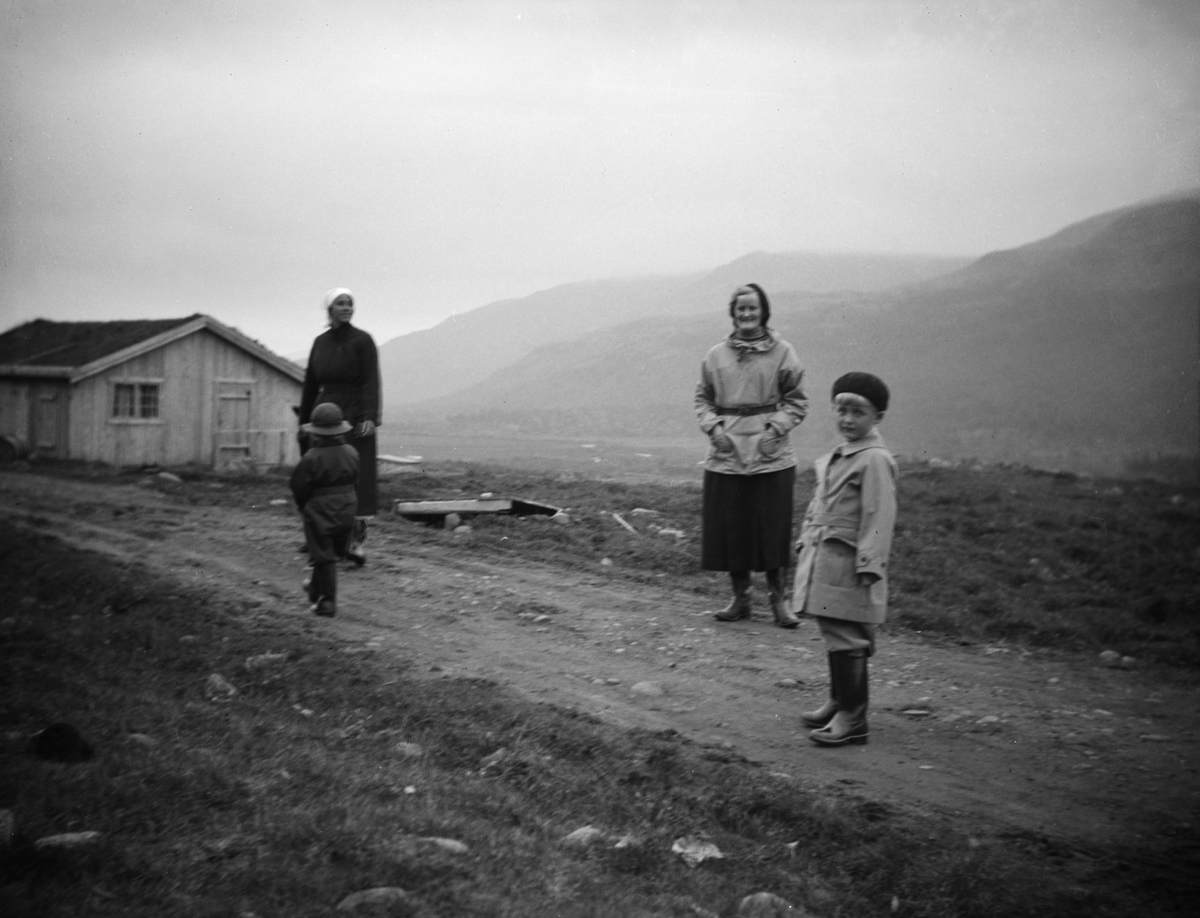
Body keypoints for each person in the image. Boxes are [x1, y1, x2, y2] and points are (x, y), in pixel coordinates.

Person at [791, 372, 897, 746]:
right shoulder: (841, 455)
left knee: (847, 634)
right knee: (832, 628)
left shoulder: (874, 460)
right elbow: (819, 505)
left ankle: (854, 718)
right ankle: (840, 701)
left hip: (850, 562)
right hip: (826, 555)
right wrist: (806, 539)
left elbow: (879, 516)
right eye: (842, 410)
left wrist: (870, 564)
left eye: (858, 412)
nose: (848, 419)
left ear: (878, 417)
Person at [695, 283, 808, 628]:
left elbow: (797, 400)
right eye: (740, 309)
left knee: (771, 527)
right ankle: (740, 598)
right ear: (733, 314)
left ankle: (779, 601)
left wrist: (775, 430)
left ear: (764, 313)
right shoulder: (715, 356)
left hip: (769, 453)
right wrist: (714, 429)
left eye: (753, 309)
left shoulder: (784, 352)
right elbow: (703, 399)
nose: (746, 314)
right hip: (727, 453)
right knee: (733, 527)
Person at [298, 288, 381, 565]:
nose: (346, 308)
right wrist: (304, 423)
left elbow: (371, 380)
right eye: (340, 304)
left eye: (350, 304)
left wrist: (369, 416)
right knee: (322, 476)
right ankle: (320, 537)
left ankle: (356, 542)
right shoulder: (320, 342)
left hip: (356, 414)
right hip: (323, 414)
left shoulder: (363, 341)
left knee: (358, 478)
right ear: (329, 310)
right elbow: (310, 383)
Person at [290, 402, 360, 617]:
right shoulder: (351, 452)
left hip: (319, 510)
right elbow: (356, 479)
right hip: (348, 506)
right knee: (333, 551)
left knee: (323, 554)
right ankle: (314, 588)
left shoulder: (311, 457)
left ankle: (328, 602)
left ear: (317, 434)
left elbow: (298, 486)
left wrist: (305, 507)